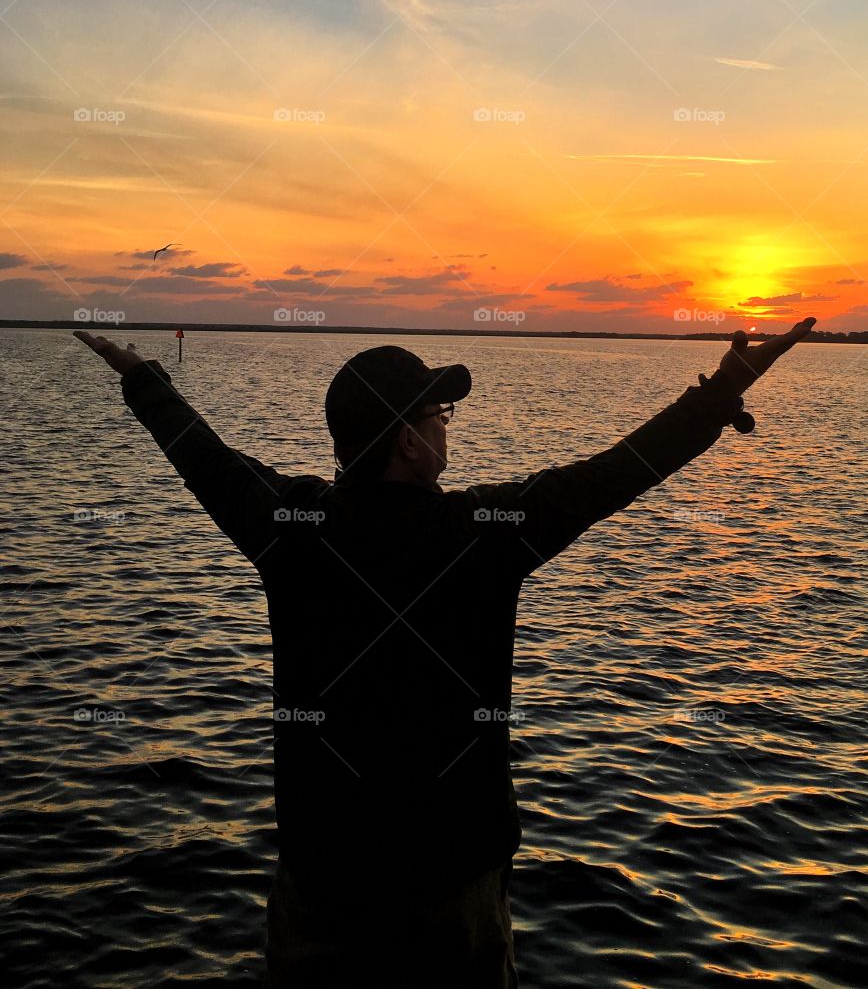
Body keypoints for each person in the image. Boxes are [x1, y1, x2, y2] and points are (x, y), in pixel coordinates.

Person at [73, 318, 816, 987]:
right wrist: (727, 386)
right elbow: (617, 471)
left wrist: (143, 378)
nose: (446, 427)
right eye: (439, 413)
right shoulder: (486, 532)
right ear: (407, 437)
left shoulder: (288, 525)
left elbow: (202, 455)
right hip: (452, 883)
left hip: (323, 876)